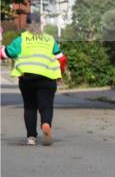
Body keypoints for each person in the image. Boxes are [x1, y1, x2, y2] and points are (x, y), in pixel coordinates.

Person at [1, 13, 67, 146]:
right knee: (46, 105)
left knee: (30, 106)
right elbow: (61, 58)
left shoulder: (22, 39)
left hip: (28, 78)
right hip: (48, 77)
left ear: (27, 25)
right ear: (41, 25)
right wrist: (60, 75)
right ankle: (46, 123)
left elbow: (5, 54)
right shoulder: (49, 39)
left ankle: (31, 137)